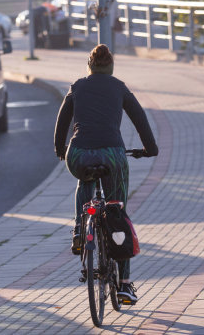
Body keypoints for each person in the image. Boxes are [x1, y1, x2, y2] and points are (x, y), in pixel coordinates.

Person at [54, 44, 158, 304]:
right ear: (110, 67)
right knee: (116, 212)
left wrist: (60, 150)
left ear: (90, 66)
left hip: (78, 154)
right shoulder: (119, 87)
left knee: (84, 182)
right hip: (113, 155)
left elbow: (61, 123)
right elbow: (140, 118)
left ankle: (80, 228)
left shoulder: (77, 86)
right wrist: (150, 149)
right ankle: (123, 285)